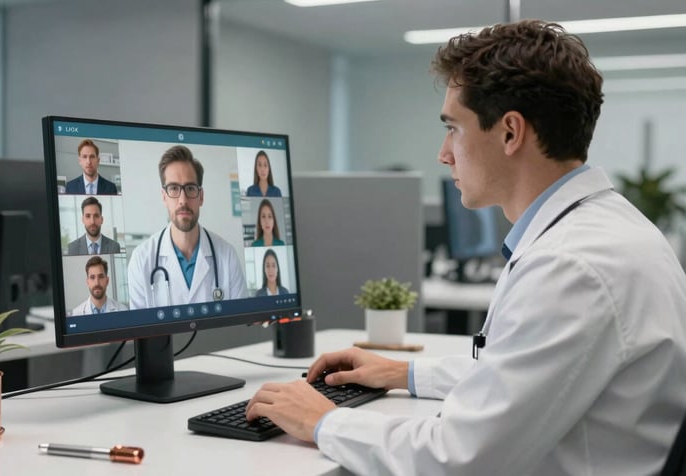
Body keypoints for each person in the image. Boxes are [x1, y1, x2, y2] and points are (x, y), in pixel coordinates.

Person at [245, 20, 686, 475]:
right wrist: (403, 373)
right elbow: (521, 375)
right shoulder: (608, 231)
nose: (444, 153)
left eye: (453, 128)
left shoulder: (571, 267)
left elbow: (457, 459)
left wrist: (323, 421)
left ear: (510, 132)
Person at [127, 145, 247, 308]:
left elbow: (241, 321)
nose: (183, 200)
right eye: (174, 188)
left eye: (190, 188)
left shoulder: (227, 256)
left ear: (201, 197)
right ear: (164, 197)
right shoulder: (141, 260)